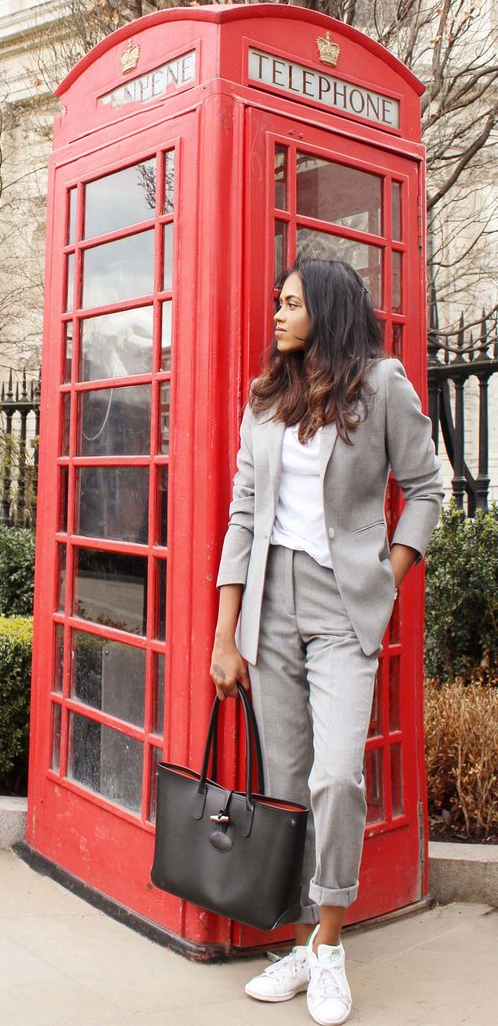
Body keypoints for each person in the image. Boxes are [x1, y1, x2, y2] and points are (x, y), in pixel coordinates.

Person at [211, 257, 443, 1026]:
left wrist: (390, 572)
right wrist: (226, 632)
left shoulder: (382, 386)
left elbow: (427, 486)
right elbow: (245, 515)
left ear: (329, 310)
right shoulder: (265, 397)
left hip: (344, 605)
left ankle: (333, 950)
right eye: (277, 302)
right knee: (288, 782)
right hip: (270, 605)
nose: (276, 315)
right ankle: (307, 945)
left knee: (337, 778)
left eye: (290, 303)